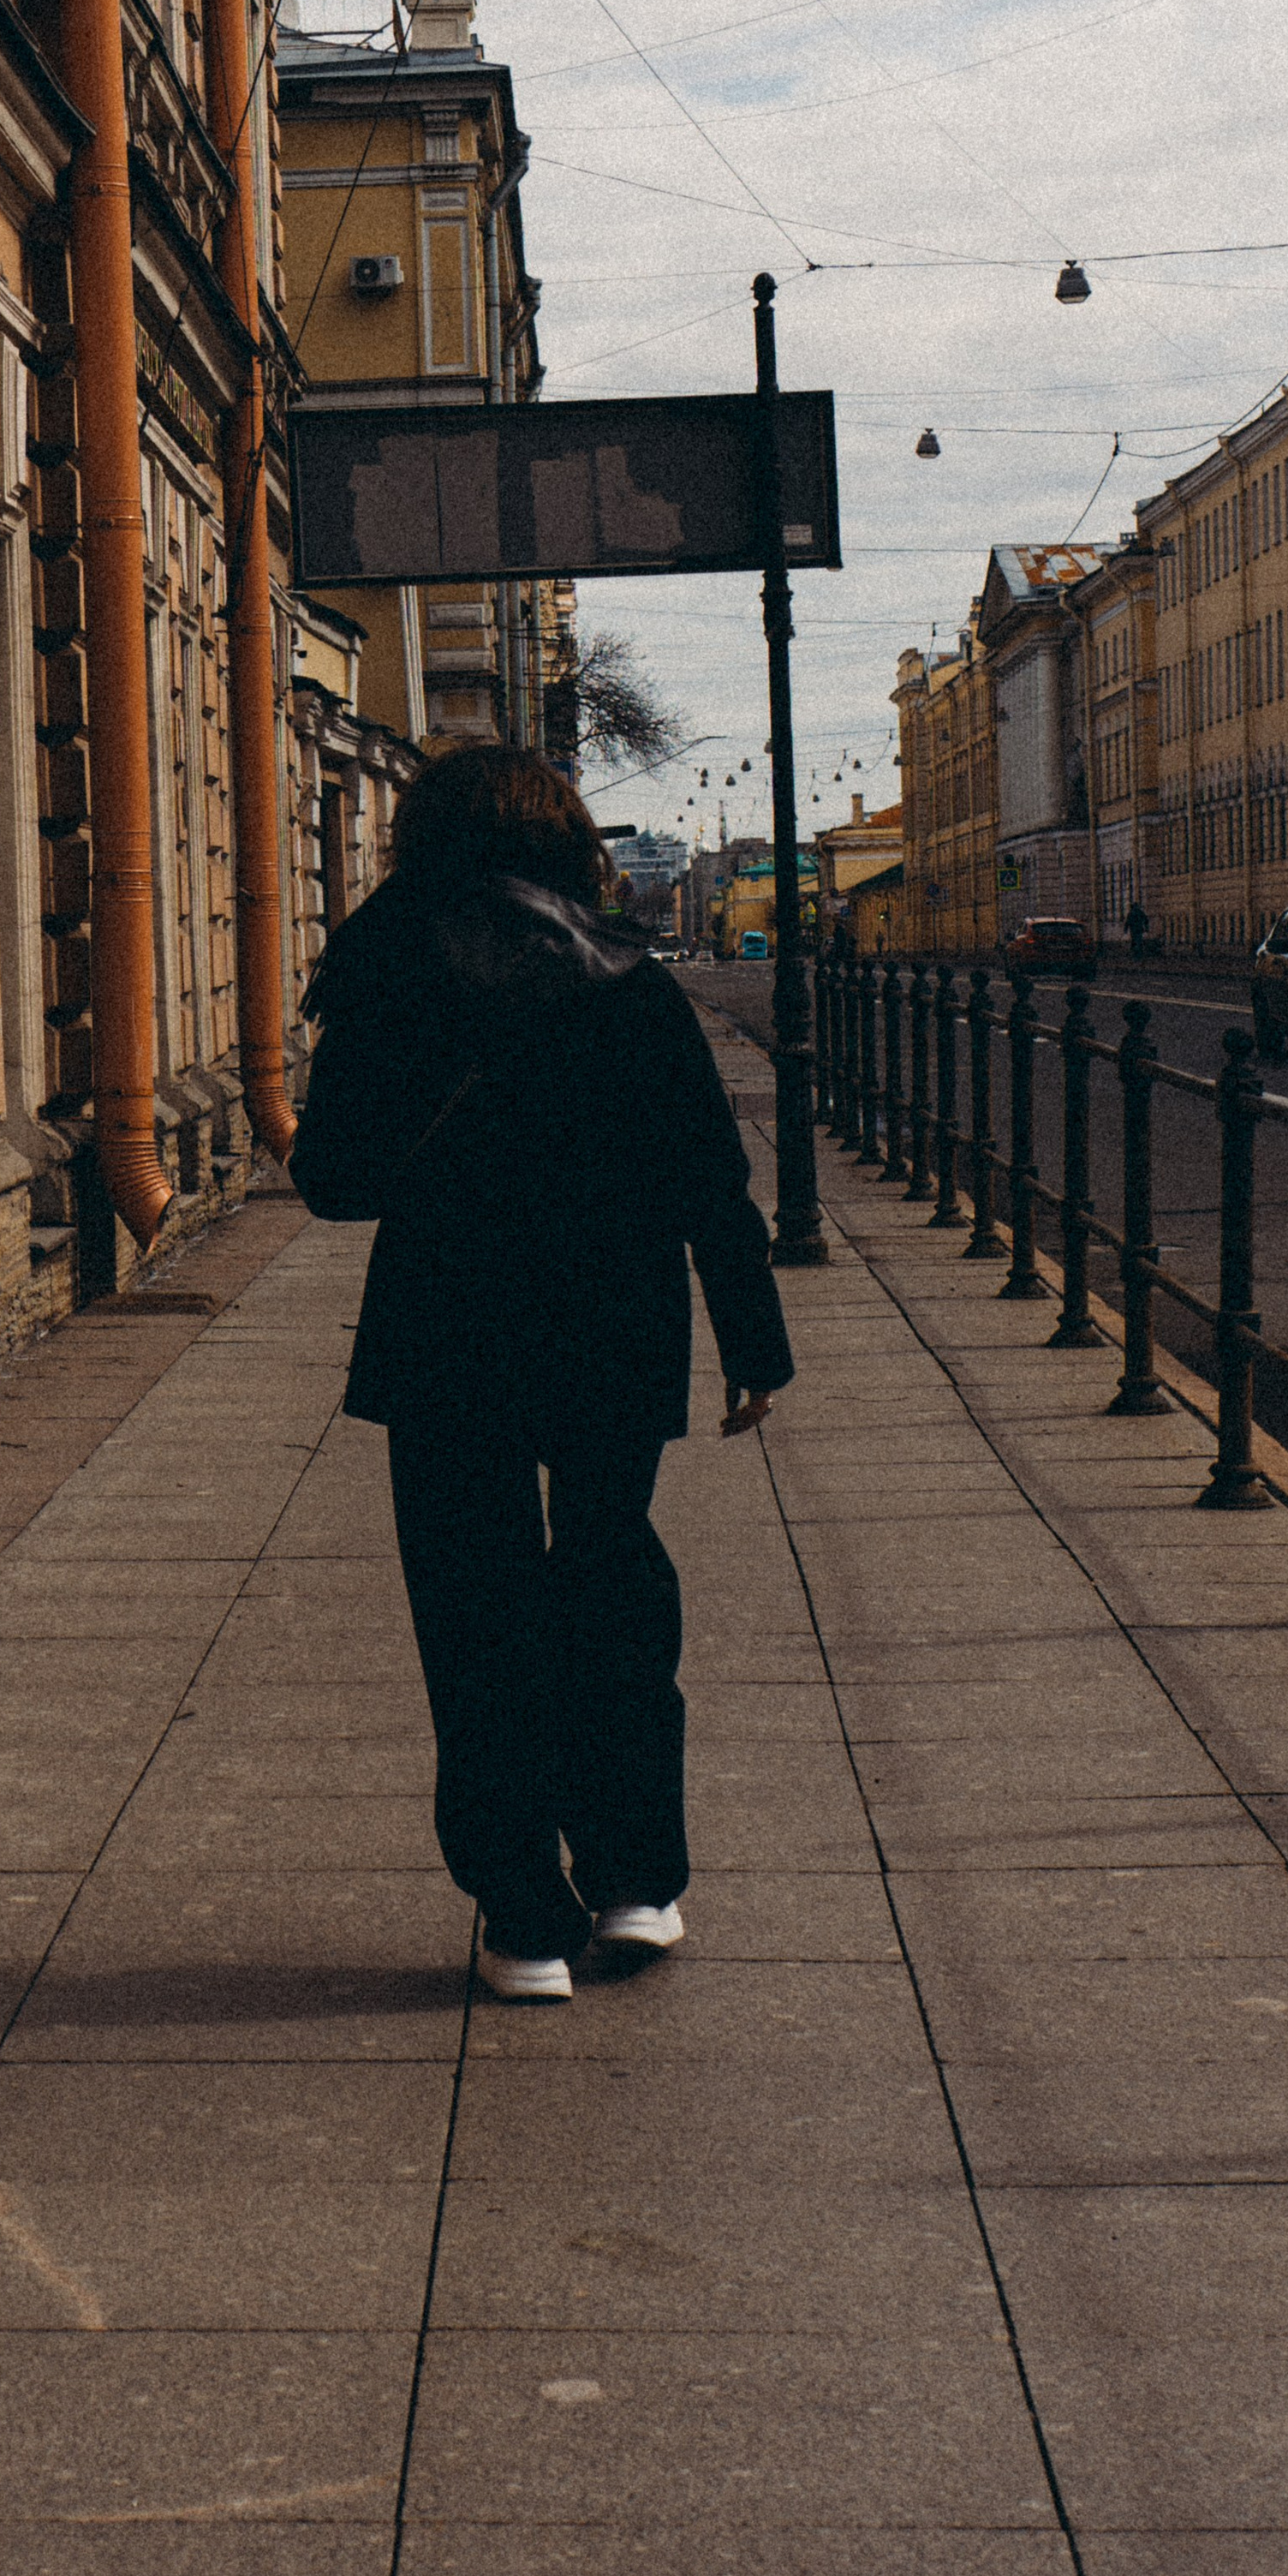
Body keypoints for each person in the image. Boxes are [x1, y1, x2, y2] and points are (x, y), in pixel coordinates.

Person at [289, 745, 795, 2004]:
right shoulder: (630, 974)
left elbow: (335, 1183)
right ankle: (636, 1886)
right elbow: (710, 1176)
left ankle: (522, 1919)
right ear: (568, 841)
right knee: (614, 1582)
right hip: (612, 1323)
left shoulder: (384, 964)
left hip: (448, 1327)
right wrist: (753, 1343)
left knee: (476, 1612)